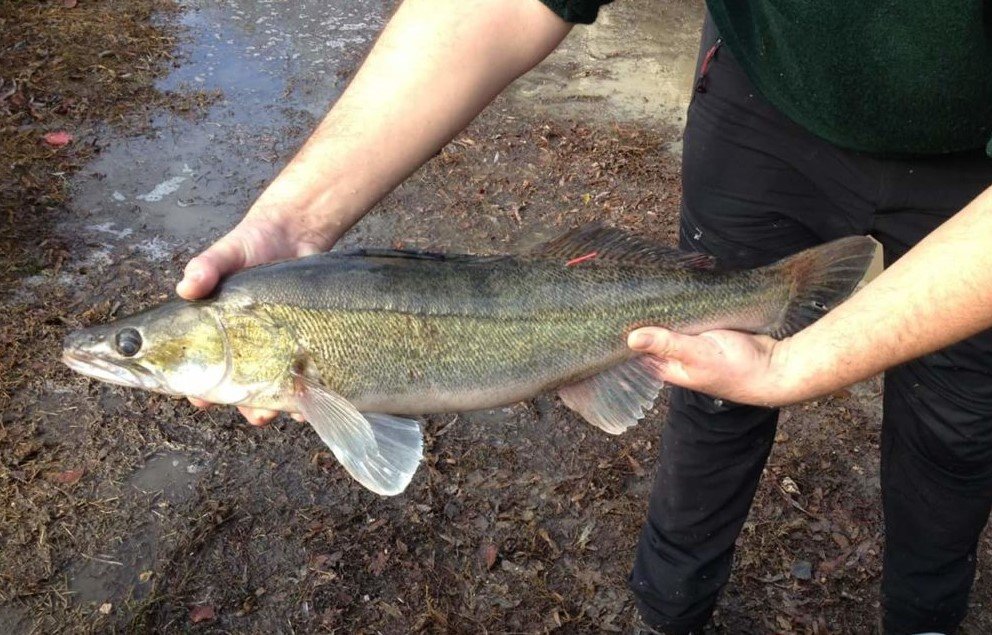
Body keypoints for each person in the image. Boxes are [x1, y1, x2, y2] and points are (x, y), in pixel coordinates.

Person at [176, 1, 992, 632]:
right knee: (707, 399)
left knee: (957, 433)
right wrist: (288, 225)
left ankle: (922, 619)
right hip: (762, 95)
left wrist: (794, 367)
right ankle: (668, 608)